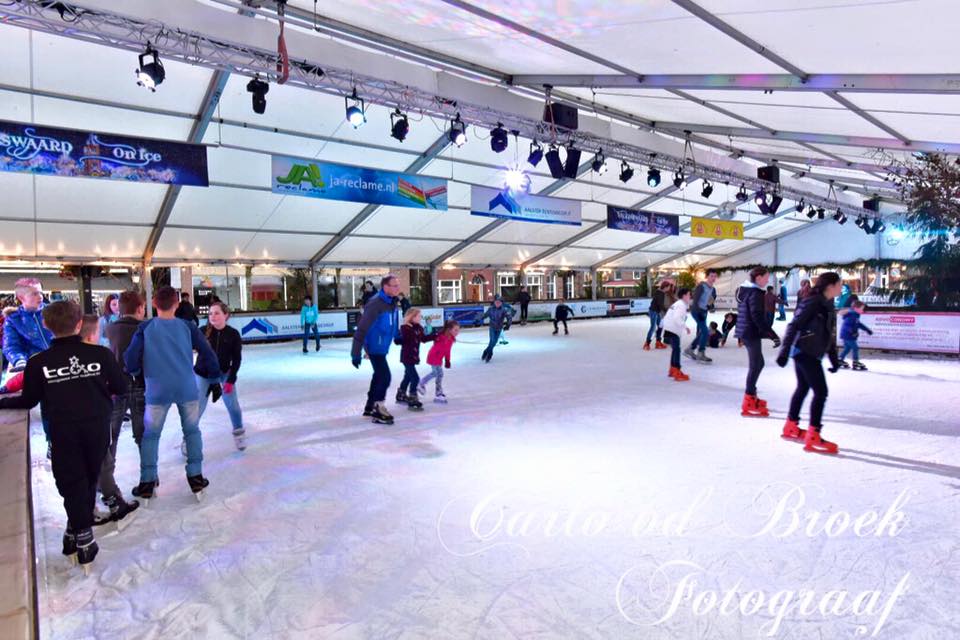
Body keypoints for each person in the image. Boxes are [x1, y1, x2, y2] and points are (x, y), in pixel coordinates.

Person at [0, 300, 127, 572]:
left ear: (46, 326)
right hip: (94, 428)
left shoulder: (38, 362)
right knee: (85, 480)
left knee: (73, 482)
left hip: (63, 430)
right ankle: (80, 533)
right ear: (79, 324)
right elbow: (120, 386)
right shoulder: (100, 355)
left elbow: (28, 400)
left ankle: (79, 533)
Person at [124, 286, 220, 500]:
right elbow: (207, 352)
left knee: (151, 435)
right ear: (177, 305)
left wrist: (137, 373)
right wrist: (214, 379)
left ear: (154, 305)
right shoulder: (187, 327)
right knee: (192, 431)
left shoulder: (145, 327)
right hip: (186, 388)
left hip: (157, 390)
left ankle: (147, 482)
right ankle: (196, 478)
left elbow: (130, 359)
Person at [776, 272, 843, 454]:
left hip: (812, 352)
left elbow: (829, 334)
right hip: (804, 351)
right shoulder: (813, 301)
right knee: (821, 392)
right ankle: (814, 435)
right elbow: (794, 325)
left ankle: (791, 426)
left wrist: (834, 359)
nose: (841, 287)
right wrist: (784, 352)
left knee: (803, 388)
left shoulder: (828, 304)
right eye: (839, 284)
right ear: (830, 285)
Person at [101, 290, 146, 521]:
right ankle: (148, 477)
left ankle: (106, 483)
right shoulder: (145, 328)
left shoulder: (110, 328)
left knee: (112, 435)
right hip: (139, 384)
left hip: (115, 387)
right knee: (142, 434)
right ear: (140, 308)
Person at [2, 278, 54, 455]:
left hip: (61, 361)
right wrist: (20, 361)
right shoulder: (14, 321)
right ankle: (52, 441)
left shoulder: (52, 312)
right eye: (34, 293)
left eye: (41, 291)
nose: (40, 296)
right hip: (39, 369)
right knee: (49, 405)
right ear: (21, 297)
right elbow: (11, 346)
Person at [194, 301, 246, 451]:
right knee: (197, 408)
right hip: (203, 375)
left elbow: (236, 359)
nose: (213, 316)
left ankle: (239, 433)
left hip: (224, 374)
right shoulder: (202, 331)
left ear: (226, 315)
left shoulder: (233, 334)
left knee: (233, 406)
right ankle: (189, 438)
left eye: (217, 313)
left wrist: (231, 379)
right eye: (210, 313)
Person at [351, 274, 400, 425]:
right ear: (386, 287)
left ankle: (370, 405)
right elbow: (362, 329)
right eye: (395, 286)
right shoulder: (375, 304)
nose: (398, 288)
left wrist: (398, 336)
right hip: (373, 346)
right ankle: (378, 408)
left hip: (382, 346)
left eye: (398, 285)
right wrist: (356, 353)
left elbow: (392, 325)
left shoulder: (392, 303)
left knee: (378, 376)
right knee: (385, 376)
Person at [735, 267, 782, 418]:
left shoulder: (746, 290)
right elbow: (757, 317)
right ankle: (748, 399)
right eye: (766, 277)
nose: (767, 280)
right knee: (756, 365)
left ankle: (751, 395)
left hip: (747, 330)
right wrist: (772, 334)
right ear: (758, 277)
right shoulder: (754, 293)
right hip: (750, 331)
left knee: (758, 364)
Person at [394, 307, 435, 410]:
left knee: (408, 376)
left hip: (414, 356)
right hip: (407, 357)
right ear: (412, 317)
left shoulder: (419, 328)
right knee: (415, 378)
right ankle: (413, 397)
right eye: (418, 316)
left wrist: (436, 335)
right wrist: (401, 337)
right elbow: (399, 340)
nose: (420, 318)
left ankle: (401, 394)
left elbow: (424, 339)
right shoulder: (405, 328)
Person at [418, 320, 459, 403]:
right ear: (449, 329)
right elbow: (433, 338)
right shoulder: (441, 336)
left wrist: (447, 360)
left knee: (439, 374)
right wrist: (436, 336)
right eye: (455, 330)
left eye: (458, 330)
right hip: (433, 357)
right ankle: (423, 384)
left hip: (439, 359)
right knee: (437, 373)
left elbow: (448, 350)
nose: (457, 332)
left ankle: (437, 392)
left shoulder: (450, 339)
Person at [683, 269, 718, 364]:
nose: (713, 278)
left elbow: (709, 299)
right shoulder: (702, 286)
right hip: (696, 311)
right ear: (707, 276)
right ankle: (700, 353)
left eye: (715, 276)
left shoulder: (712, 288)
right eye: (711, 276)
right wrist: (699, 312)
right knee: (706, 332)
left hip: (703, 311)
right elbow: (695, 301)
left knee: (703, 331)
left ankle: (690, 349)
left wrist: (710, 307)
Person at [663, 288, 693, 381]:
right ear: (684, 296)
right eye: (688, 294)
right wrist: (685, 327)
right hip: (673, 329)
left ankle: (672, 369)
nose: (690, 296)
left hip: (669, 328)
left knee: (675, 349)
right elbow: (676, 318)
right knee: (677, 349)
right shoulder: (681, 305)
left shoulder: (679, 304)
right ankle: (677, 370)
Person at [838, 300, 873, 370]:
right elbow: (847, 325)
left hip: (847, 334)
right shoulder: (852, 315)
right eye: (862, 308)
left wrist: (867, 329)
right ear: (856, 308)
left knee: (847, 348)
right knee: (855, 348)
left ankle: (839, 360)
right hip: (847, 335)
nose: (863, 310)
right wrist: (852, 332)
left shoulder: (855, 315)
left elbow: (859, 324)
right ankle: (855, 362)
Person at [481, 295, 511, 362]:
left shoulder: (504, 310)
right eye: (496, 302)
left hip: (499, 328)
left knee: (494, 342)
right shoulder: (491, 309)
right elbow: (485, 315)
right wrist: (479, 319)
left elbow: (509, 317)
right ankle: (490, 353)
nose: (497, 304)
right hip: (492, 327)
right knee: (492, 340)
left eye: (499, 302)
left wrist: (508, 325)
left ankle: (486, 351)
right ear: (494, 302)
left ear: (501, 303)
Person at [644, 281, 670, 350]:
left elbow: (660, 305)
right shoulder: (660, 293)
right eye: (668, 287)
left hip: (657, 311)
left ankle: (658, 342)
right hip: (653, 311)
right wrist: (667, 311)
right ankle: (647, 343)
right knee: (653, 327)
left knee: (660, 326)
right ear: (665, 287)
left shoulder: (661, 293)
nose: (669, 289)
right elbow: (660, 304)